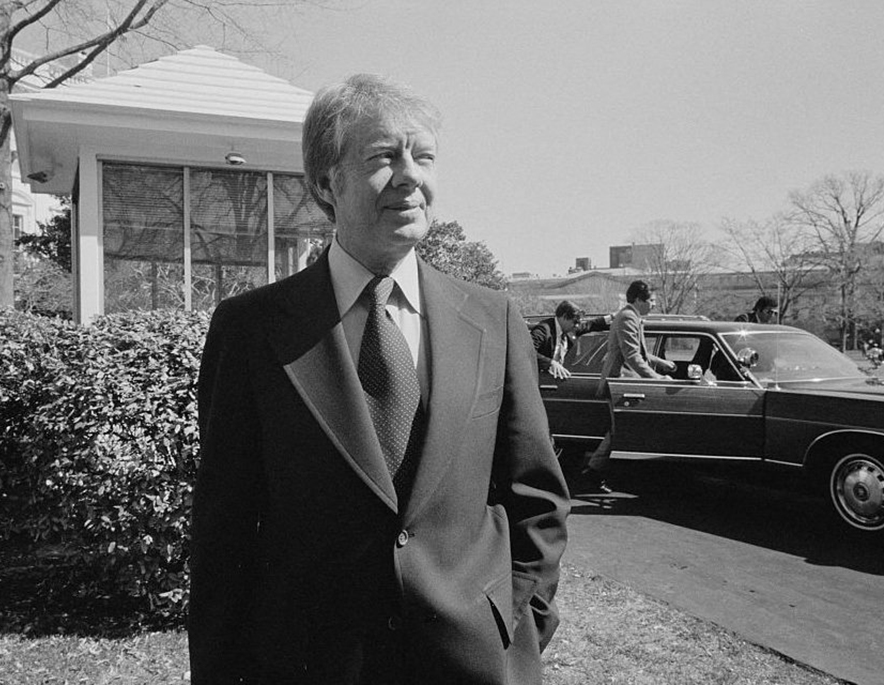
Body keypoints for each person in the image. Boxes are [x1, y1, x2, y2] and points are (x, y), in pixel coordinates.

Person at [189, 74, 570, 685]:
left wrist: (515, 621)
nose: (410, 176)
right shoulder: (252, 329)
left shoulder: (493, 320)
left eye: (423, 157)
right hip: (309, 664)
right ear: (324, 183)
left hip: (470, 662)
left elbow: (537, 496)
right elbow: (224, 529)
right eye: (383, 158)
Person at [580, 280, 675, 492]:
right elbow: (631, 356)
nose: (653, 305)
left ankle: (594, 470)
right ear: (639, 300)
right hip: (619, 382)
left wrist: (661, 363)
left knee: (618, 430)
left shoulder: (632, 317)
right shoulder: (627, 317)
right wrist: (657, 379)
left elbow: (636, 352)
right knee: (618, 431)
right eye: (651, 301)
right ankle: (593, 471)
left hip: (625, 381)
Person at [530, 300, 612, 378]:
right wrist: (550, 363)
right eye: (575, 322)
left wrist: (612, 317)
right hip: (540, 380)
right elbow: (528, 352)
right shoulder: (543, 330)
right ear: (564, 317)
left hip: (557, 379)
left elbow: (590, 325)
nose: (577, 326)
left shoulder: (569, 329)